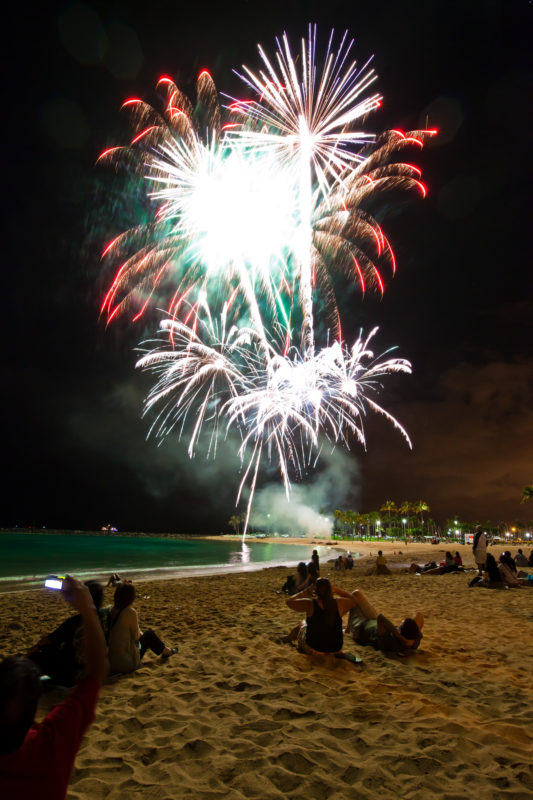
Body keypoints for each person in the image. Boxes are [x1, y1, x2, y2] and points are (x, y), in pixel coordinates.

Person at [0, 575, 107, 798]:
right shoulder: (50, 744)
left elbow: (48, 640)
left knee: (42, 653)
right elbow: (97, 671)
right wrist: (87, 608)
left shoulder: (49, 742)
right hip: (77, 674)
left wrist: (31, 652)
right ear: (33, 711)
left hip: (67, 673)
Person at [27, 580, 108, 687]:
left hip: (71, 673)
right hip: (95, 668)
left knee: (38, 654)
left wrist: (35, 648)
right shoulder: (106, 616)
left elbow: (50, 640)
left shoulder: (73, 622)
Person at [107, 582, 176, 674]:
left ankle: (166, 651)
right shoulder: (130, 612)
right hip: (126, 663)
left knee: (147, 636)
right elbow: (136, 637)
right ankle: (168, 652)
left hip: (110, 662)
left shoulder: (111, 610)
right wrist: (142, 635)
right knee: (149, 635)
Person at [282, 578, 357, 655]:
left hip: (315, 648)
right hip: (336, 649)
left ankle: (288, 638)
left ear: (316, 590)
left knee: (303, 623)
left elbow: (289, 602)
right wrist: (336, 590)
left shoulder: (310, 603)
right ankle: (288, 638)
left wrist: (305, 592)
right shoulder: (339, 603)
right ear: (330, 589)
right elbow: (354, 599)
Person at [347, 589, 424, 654]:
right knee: (356, 593)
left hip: (361, 627)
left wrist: (398, 636)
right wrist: (410, 639)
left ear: (400, 632)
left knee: (353, 598)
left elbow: (380, 617)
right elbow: (419, 615)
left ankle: (348, 630)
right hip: (374, 620)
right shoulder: (414, 640)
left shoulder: (390, 641)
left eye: (399, 625)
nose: (397, 626)